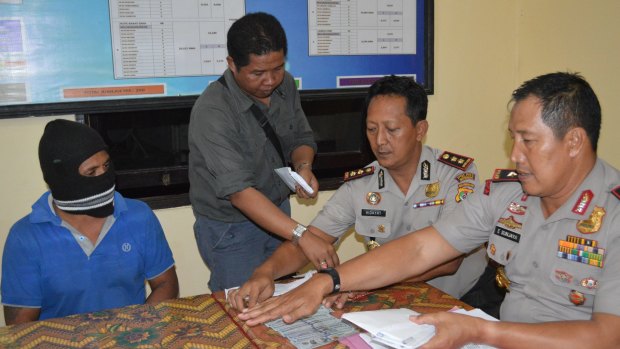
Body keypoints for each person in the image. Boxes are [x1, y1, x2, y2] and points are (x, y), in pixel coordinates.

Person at [236, 72, 620, 348]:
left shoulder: (614, 216)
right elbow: (422, 248)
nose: (515, 156)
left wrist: (482, 332)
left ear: (573, 142)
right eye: (513, 140)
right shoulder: (509, 195)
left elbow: (607, 336)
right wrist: (327, 281)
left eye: (528, 141)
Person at [229, 75, 489, 311]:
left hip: (463, 300)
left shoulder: (455, 175)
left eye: (392, 129)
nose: (380, 141)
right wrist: (265, 272)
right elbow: (313, 240)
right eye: (372, 129)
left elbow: (449, 261)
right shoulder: (362, 184)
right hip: (396, 302)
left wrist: (348, 282)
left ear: (420, 130)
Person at [188, 12, 335, 292]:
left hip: (278, 209)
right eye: (257, 73)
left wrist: (303, 166)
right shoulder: (213, 111)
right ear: (232, 64)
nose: (270, 81)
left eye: (277, 68)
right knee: (244, 304)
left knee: (284, 297)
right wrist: (302, 235)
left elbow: (301, 137)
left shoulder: (286, 84)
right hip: (232, 228)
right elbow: (240, 193)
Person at [1, 119, 179, 325]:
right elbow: (20, 327)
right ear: (62, 179)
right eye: (91, 172)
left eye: (106, 166)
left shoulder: (138, 216)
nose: (104, 177)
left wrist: (133, 329)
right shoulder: (26, 238)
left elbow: (166, 283)